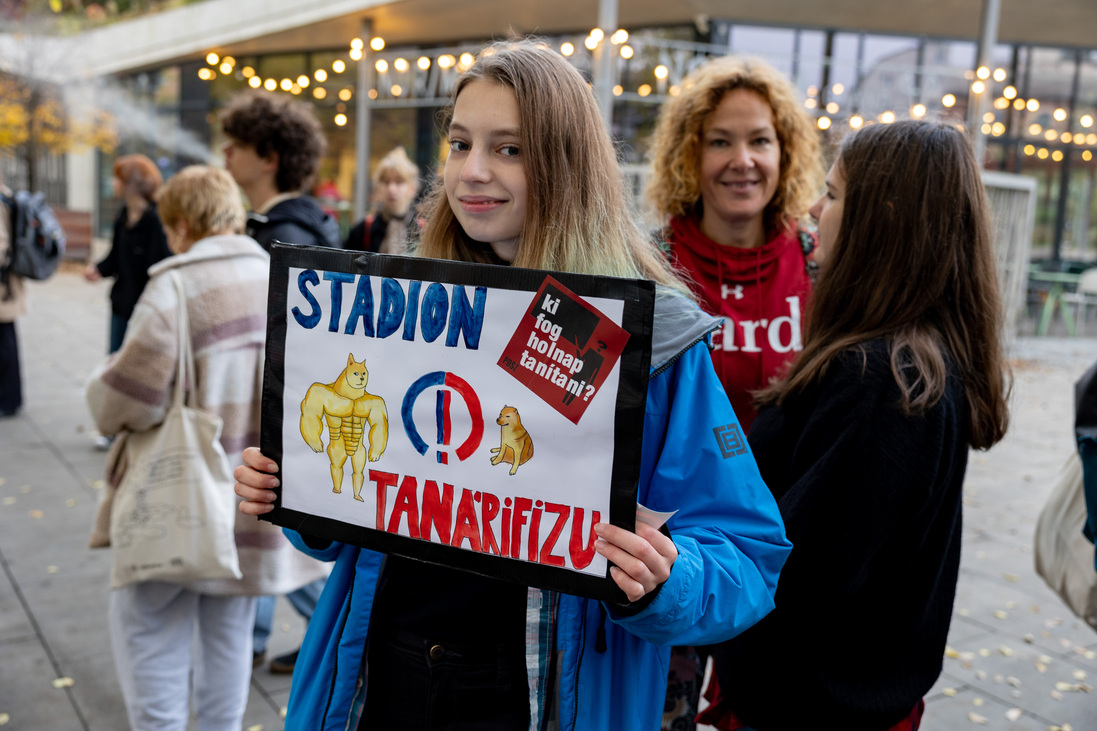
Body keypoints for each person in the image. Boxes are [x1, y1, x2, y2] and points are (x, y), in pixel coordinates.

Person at [233, 40, 792, 731]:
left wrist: (665, 577)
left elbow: (747, 558)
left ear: (565, 163)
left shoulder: (649, 340)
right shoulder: (394, 313)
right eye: (460, 142)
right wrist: (299, 491)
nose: (472, 171)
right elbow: (352, 528)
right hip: (378, 679)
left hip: (537, 696)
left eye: (509, 149)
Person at [699, 120, 1011, 731]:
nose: (814, 209)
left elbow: (799, 573)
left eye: (835, 194)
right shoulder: (908, 359)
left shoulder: (879, 381)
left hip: (812, 706)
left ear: (883, 218)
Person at [85, 166, 329, 730]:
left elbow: (127, 401)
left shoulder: (174, 285)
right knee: (229, 640)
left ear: (179, 224)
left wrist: (99, 381)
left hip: (178, 504)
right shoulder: (280, 279)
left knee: (150, 638)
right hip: (251, 504)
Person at [644, 56, 824, 730]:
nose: (740, 160)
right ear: (689, 154)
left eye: (759, 140)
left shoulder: (815, 264)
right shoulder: (650, 262)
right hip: (678, 549)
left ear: (785, 151)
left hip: (787, 544)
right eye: (719, 140)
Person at [220, 90, 341, 251]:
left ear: (269, 160)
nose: (225, 150)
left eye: (239, 144)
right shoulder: (277, 225)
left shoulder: (287, 237)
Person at [85, 154, 172, 355]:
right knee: (114, 362)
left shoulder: (157, 219)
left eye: (118, 178)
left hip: (148, 310)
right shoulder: (123, 214)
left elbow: (161, 266)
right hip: (121, 305)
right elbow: (115, 255)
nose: (112, 182)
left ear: (132, 182)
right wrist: (98, 269)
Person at [343, 145, 422, 254]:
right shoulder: (362, 231)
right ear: (377, 188)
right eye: (385, 182)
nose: (391, 189)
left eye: (399, 182)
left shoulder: (424, 232)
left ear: (412, 189)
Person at [0, 175, 22, 417]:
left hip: (3, 286)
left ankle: (9, 399)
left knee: (5, 344)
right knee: (7, 341)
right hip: (8, 283)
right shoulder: (6, 195)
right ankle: (10, 397)